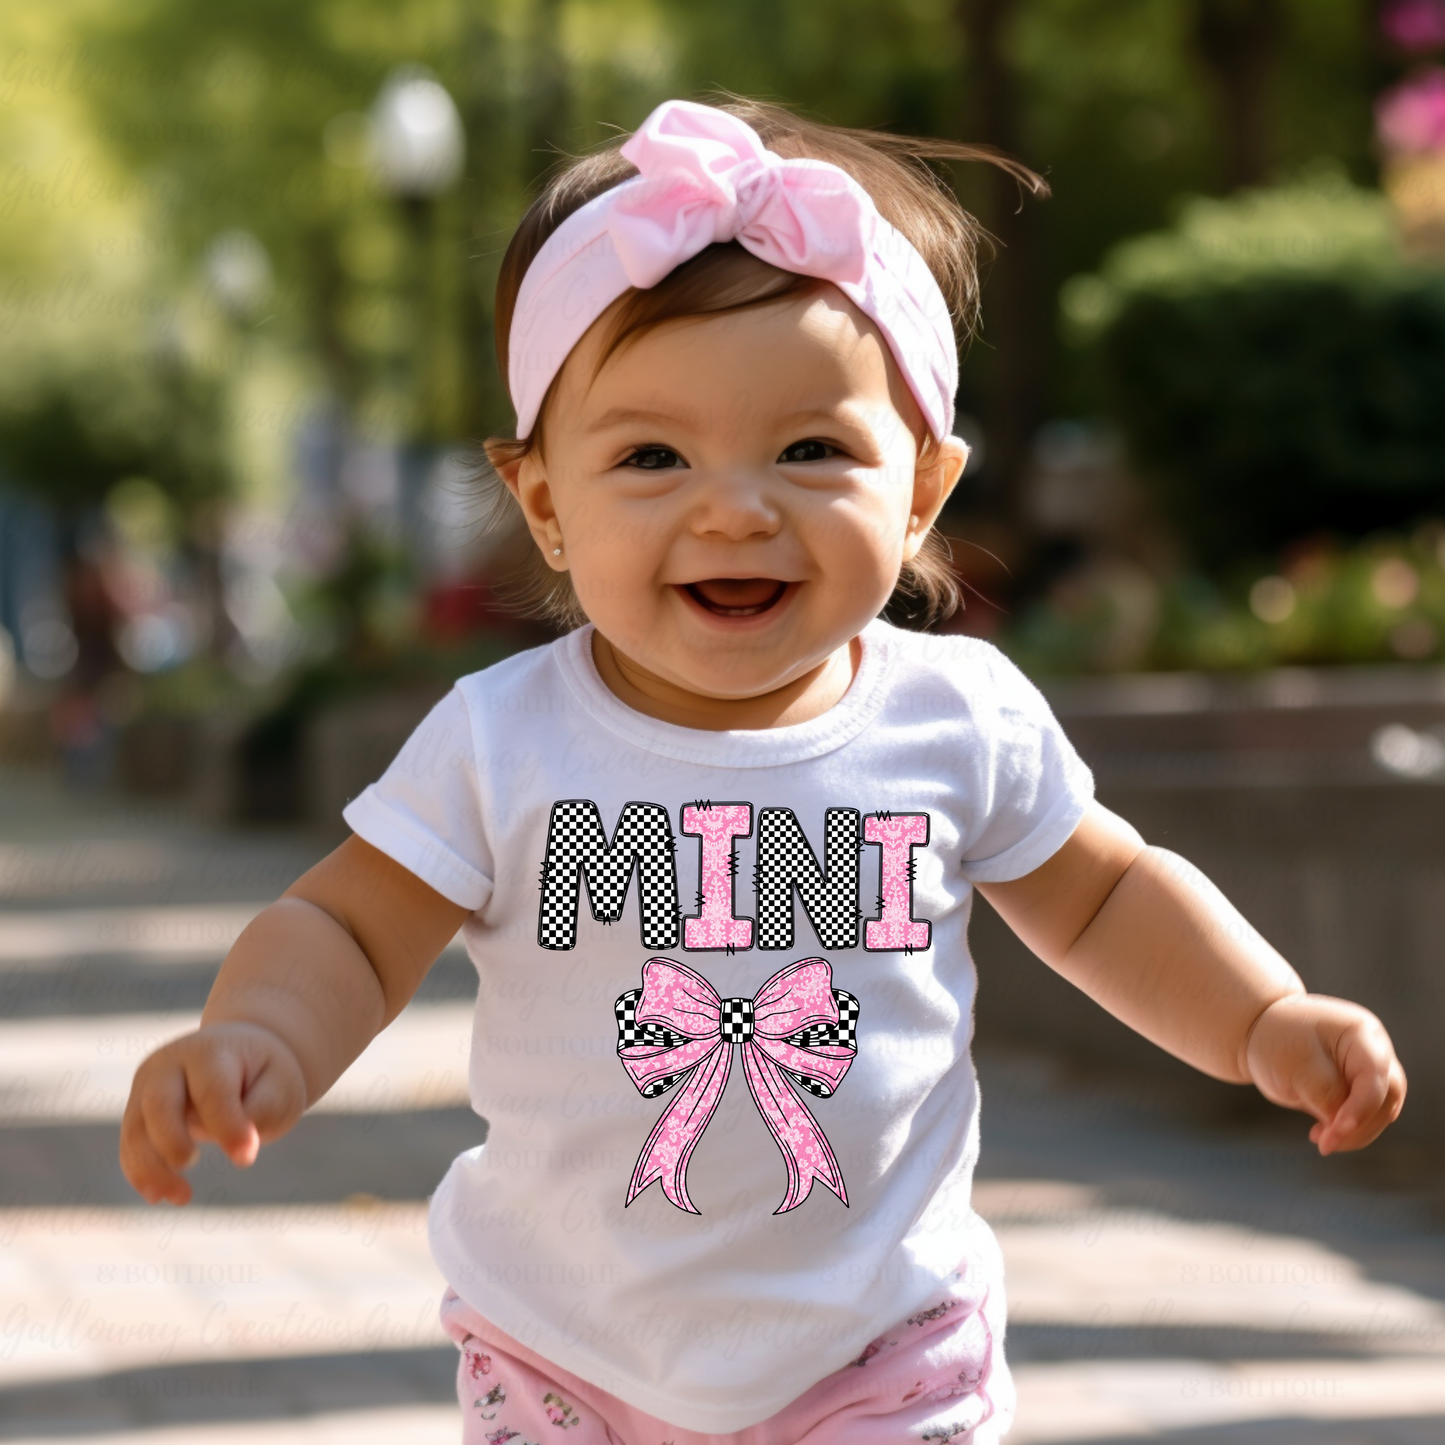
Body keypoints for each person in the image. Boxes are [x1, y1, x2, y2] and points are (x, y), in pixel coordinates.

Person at [120, 97, 1407, 1444]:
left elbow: (1109, 898)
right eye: (652, 456)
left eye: (811, 451)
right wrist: (259, 1033)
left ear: (919, 490)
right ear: (546, 503)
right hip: (567, 1359)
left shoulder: (957, 719)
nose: (735, 506)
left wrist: (1263, 1016)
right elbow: (347, 928)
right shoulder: (502, 741)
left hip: (882, 1352)